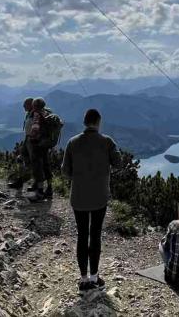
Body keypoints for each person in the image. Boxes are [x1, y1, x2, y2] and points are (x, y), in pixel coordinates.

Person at [61, 108, 120, 292]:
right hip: (99, 197)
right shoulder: (107, 142)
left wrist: (79, 178)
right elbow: (118, 163)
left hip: (78, 197)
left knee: (82, 235)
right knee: (95, 235)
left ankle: (84, 279)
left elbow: (65, 171)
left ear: (85, 122)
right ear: (98, 122)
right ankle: (95, 277)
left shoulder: (72, 142)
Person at [26, 97, 63, 201]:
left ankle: (40, 193)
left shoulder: (37, 115)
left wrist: (31, 139)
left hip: (38, 144)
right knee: (46, 166)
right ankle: (49, 190)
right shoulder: (48, 113)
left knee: (38, 168)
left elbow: (34, 131)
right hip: (47, 144)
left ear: (34, 106)